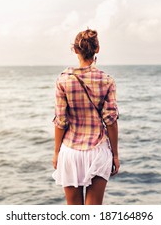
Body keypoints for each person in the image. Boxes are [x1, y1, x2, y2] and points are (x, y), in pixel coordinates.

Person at [52, 29, 119, 205]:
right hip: (97, 150)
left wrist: (56, 152)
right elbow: (111, 121)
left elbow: (60, 121)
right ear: (97, 49)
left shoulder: (63, 80)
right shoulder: (107, 80)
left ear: (75, 50)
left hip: (71, 151)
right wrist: (116, 155)